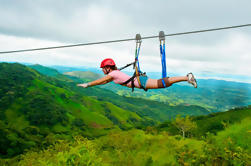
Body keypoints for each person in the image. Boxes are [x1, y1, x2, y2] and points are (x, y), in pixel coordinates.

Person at [77, 58, 197, 90]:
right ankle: (186, 78)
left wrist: (87, 84)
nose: (102, 70)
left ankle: (187, 77)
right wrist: (92, 85)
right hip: (140, 81)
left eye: (103, 68)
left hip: (140, 81)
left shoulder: (113, 74)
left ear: (108, 68)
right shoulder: (114, 73)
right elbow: (102, 82)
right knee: (163, 84)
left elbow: (99, 80)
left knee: (162, 83)